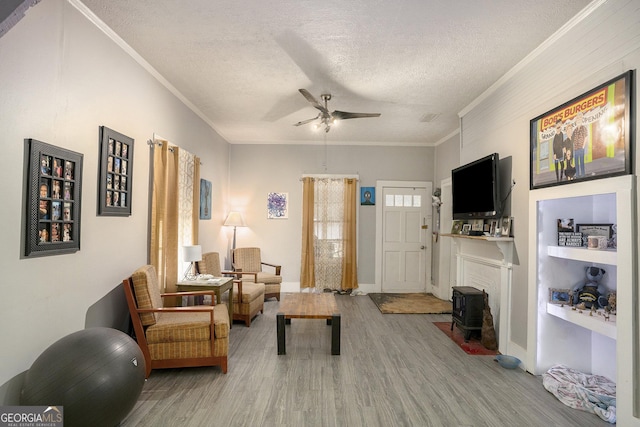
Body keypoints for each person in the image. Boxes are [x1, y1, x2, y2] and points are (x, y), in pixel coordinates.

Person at [572, 112, 588, 178]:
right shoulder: (575, 130)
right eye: (577, 118)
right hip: (575, 149)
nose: (578, 120)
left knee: (581, 162)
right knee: (576, 163)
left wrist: (583, 146)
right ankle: (577, 175)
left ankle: (583, 175)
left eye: (579, 118)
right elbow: (572, 139)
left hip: (581, 148)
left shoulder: (583, 128)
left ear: (581, 119)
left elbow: (586, 137)